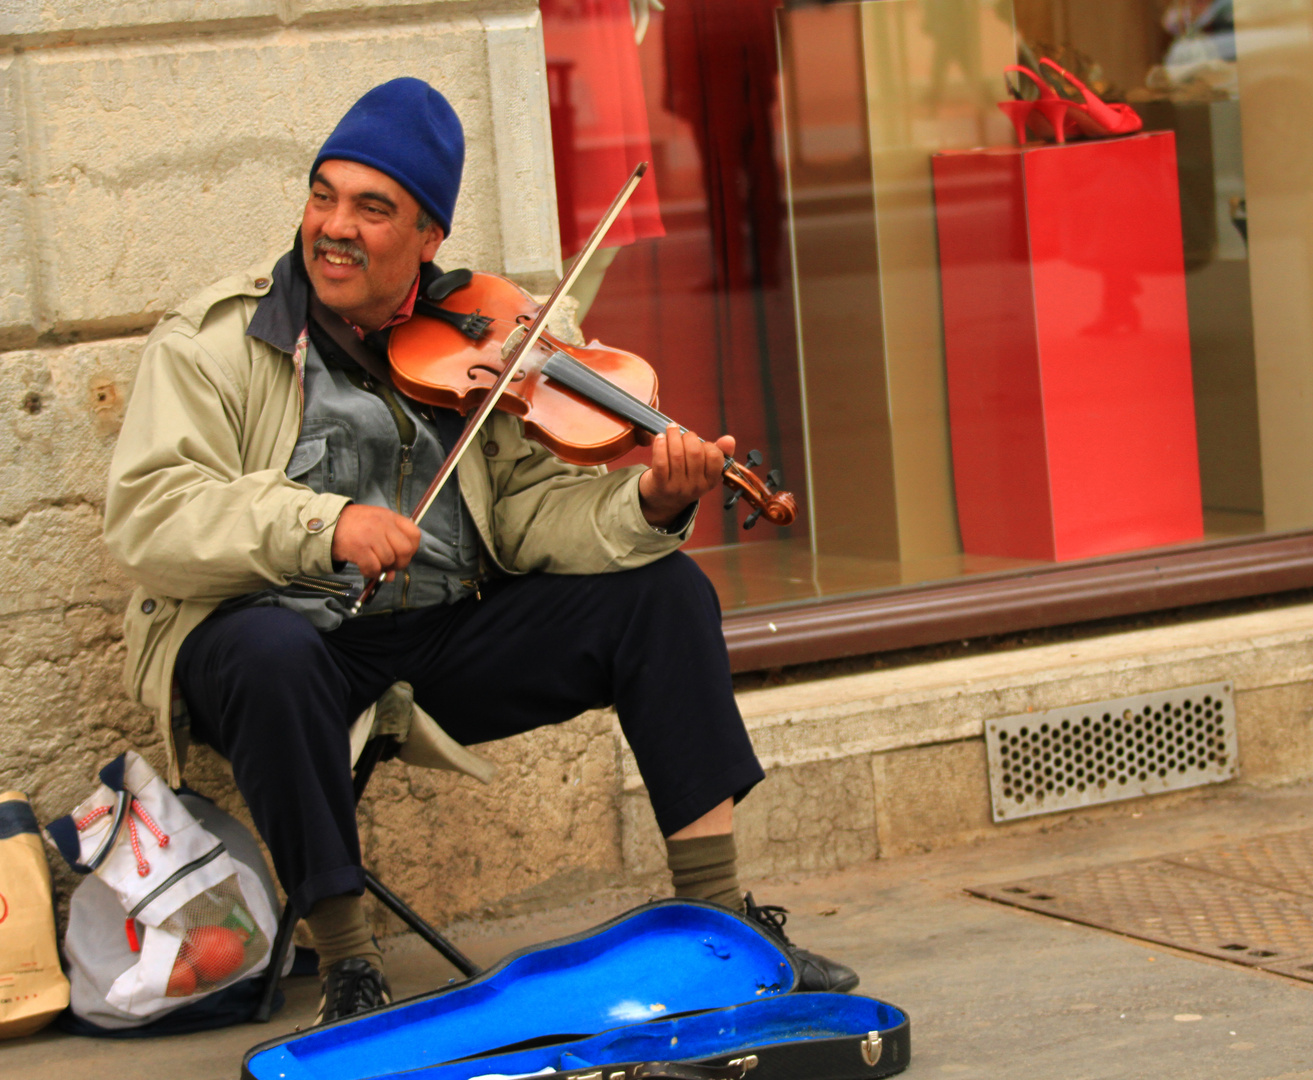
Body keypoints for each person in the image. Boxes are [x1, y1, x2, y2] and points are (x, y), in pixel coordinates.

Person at [103, 77, 855, 1024]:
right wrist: (321, 525)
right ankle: (347, 966)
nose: (334, 226)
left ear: (428, 239)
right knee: (270, 649)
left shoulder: (493, 339)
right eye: (322, 195)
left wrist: (646, 501)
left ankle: (720, 926)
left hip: (441, 633)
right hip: (277, 645)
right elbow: (150, 517)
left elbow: (538, 518)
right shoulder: (217, 343)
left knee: (664, 595)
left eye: (372, 209)